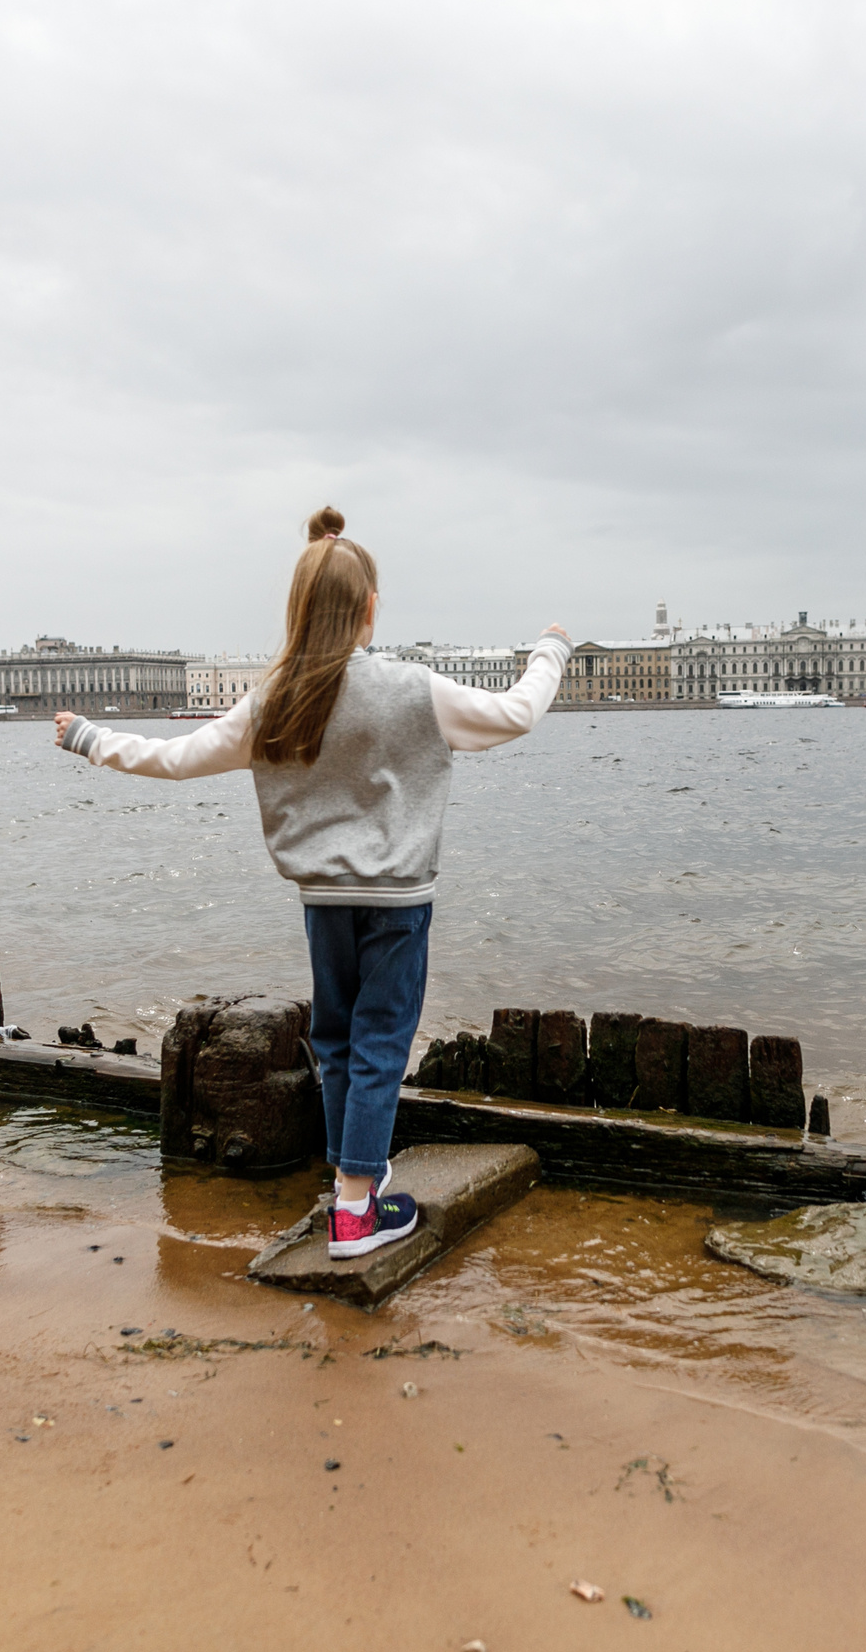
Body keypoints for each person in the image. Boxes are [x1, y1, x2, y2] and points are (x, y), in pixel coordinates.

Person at [52, 506, 570, 1257]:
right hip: (397, 903)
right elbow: (518, 713)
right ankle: (356, 1214)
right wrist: (549, 651)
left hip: (322, 901)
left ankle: (349, 1185)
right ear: (368, 610)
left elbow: (178, 757)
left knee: (335, 1042)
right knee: (382, 1046)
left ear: (297, 610)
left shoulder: (275, 698)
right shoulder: (412, 687)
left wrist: (90, 738)